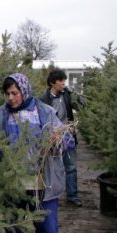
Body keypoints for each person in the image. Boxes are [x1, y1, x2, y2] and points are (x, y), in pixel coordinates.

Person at [0, 73, 74, 233]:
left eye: (14, 93)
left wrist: (58, 140)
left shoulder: (45, 111)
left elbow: (68, 140)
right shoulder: (1, 114)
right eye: (7, 94)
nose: (10, 98)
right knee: (13, 232)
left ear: (24, 90)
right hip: (13, 185)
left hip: (43, 185)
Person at [39, 70, 85, 207]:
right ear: (53, 82)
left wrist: (79, 100)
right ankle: (53, 195)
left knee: (71, 167)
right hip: (52, 138)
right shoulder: (43, 99)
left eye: (64, 80)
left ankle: (73, 196)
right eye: (61, 81)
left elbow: (75, 107)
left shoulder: (66, 95)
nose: (63, 83)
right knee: (53, 168)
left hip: (67, 136)